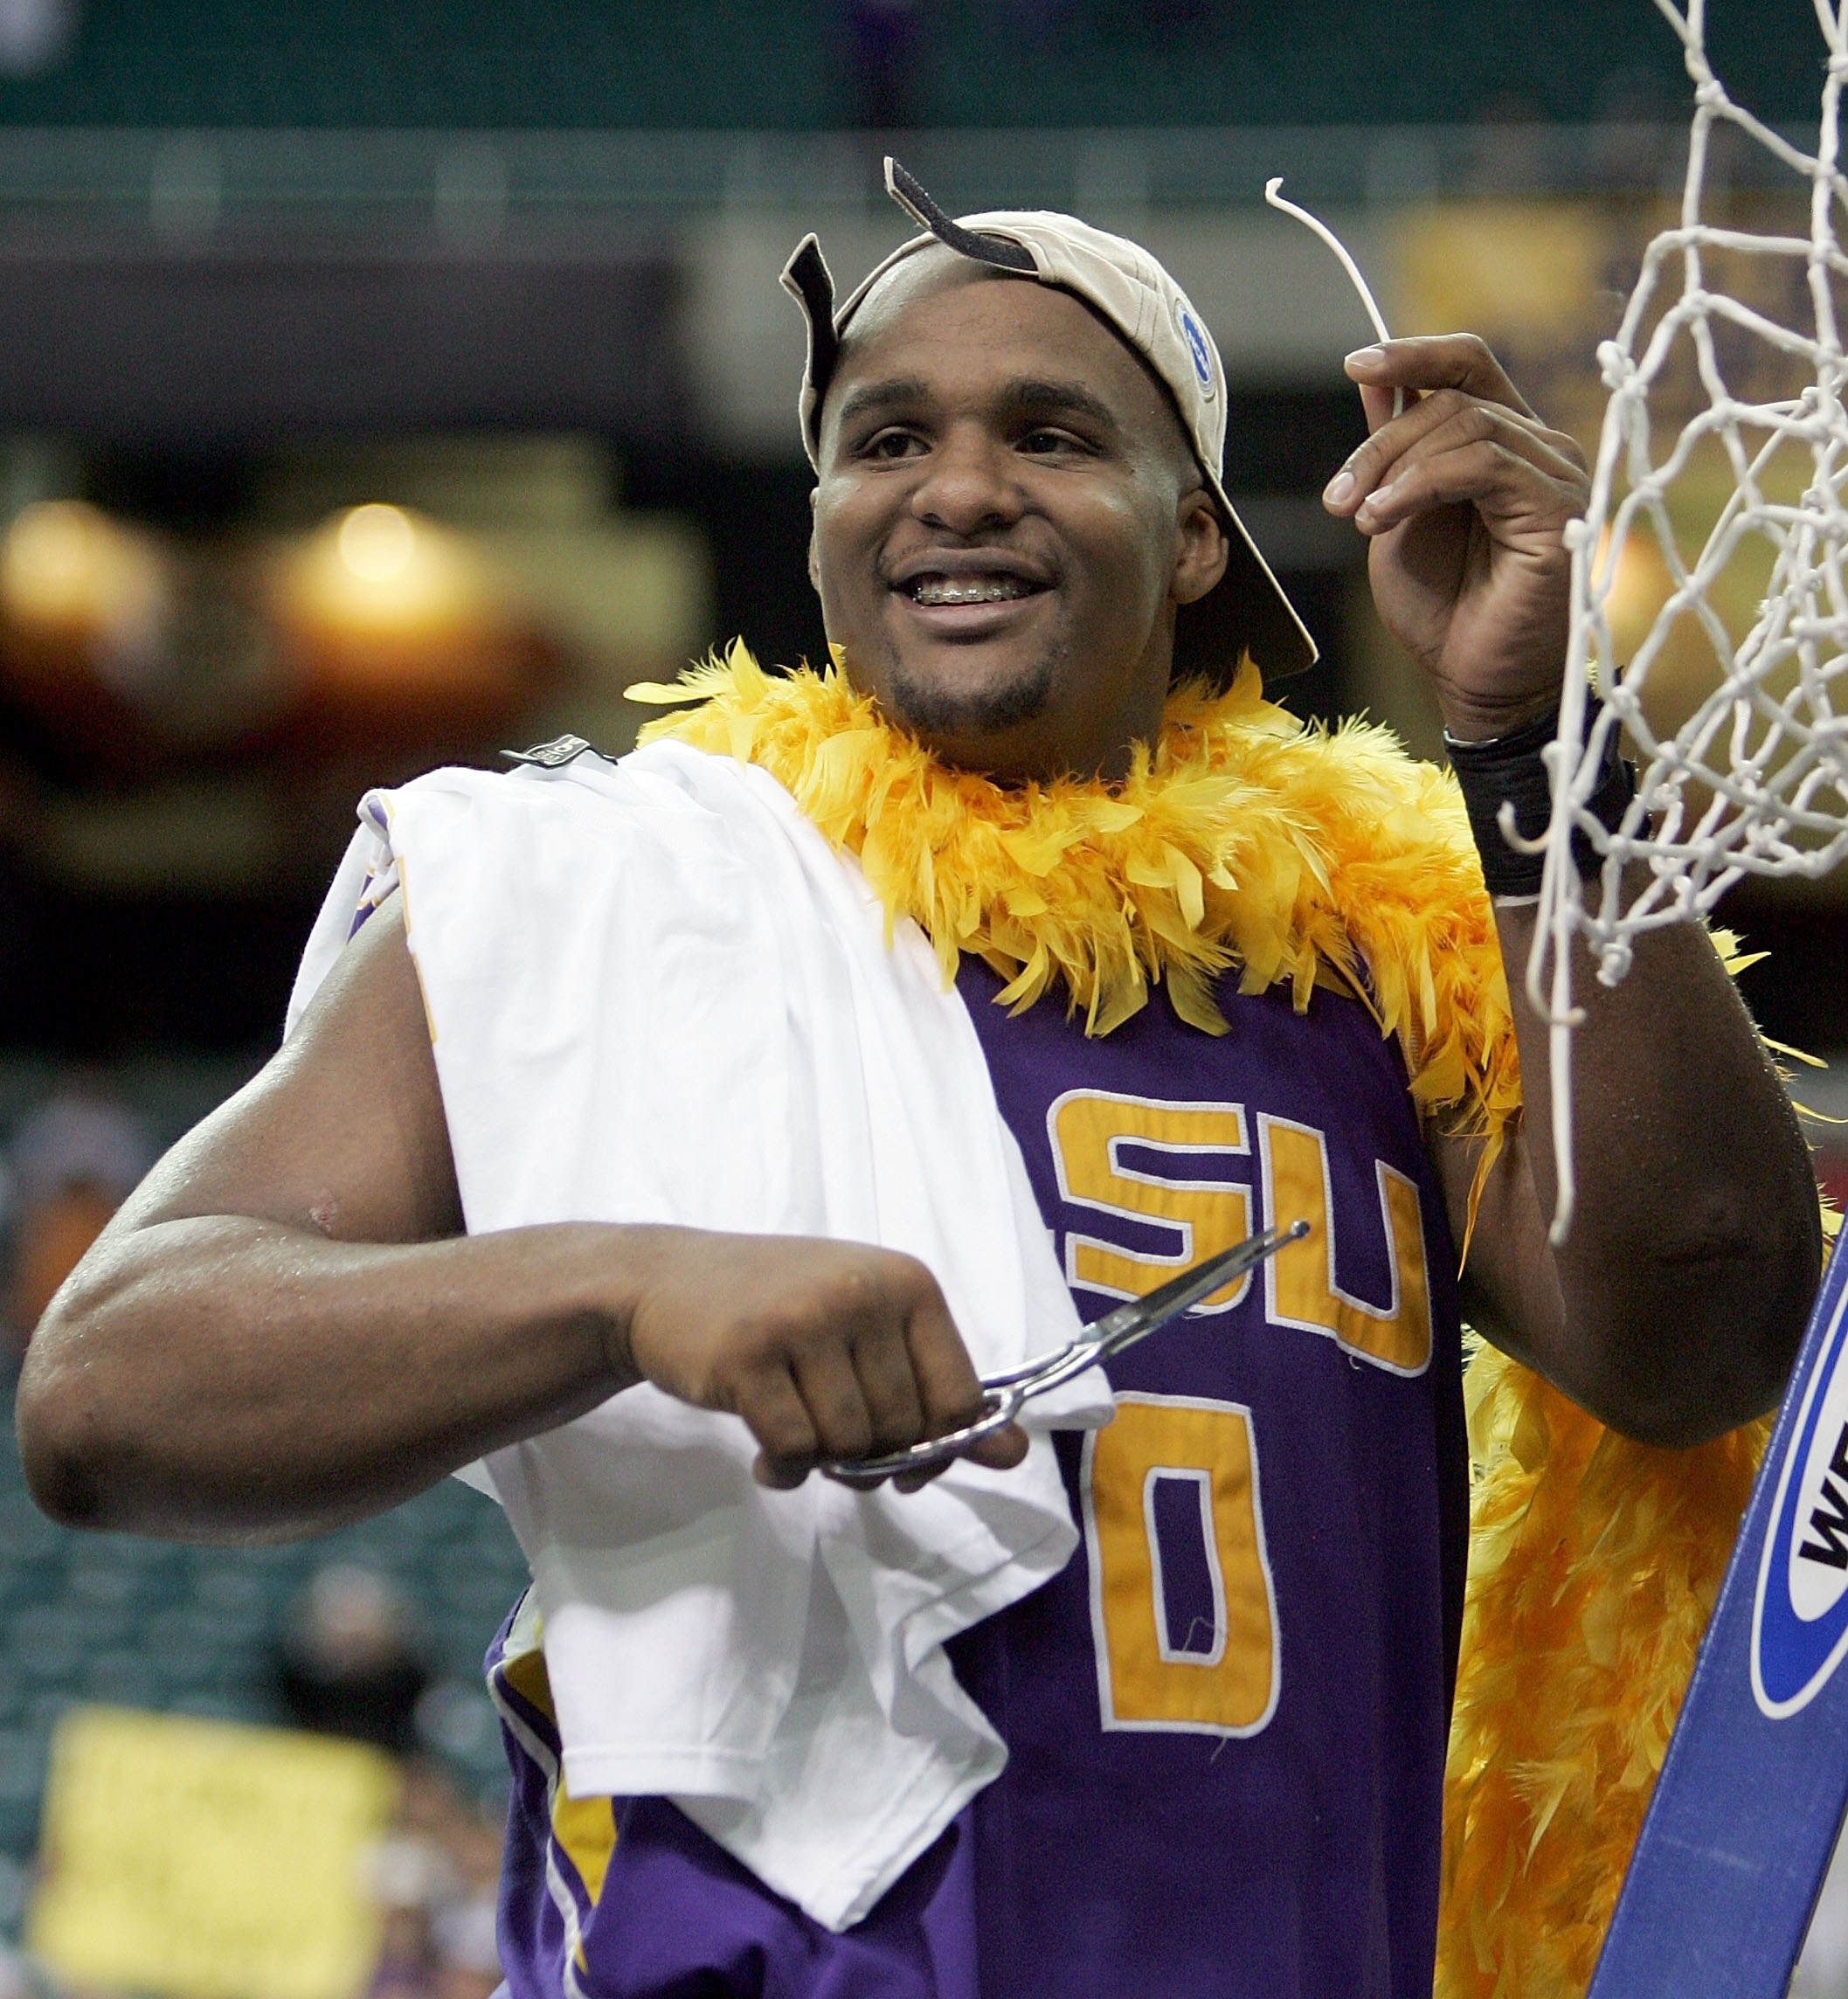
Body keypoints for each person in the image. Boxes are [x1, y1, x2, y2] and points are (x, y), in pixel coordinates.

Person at [15, 163, 1819, 1999]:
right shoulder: (607, 890)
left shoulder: (1381, 944)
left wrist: (1548, 735)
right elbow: (106, 1391)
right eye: (885, 439)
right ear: (817, 526)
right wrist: (628, 1287)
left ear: (1191, 531)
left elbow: (1703, 1332)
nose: (956, 487)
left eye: (1046, 433)